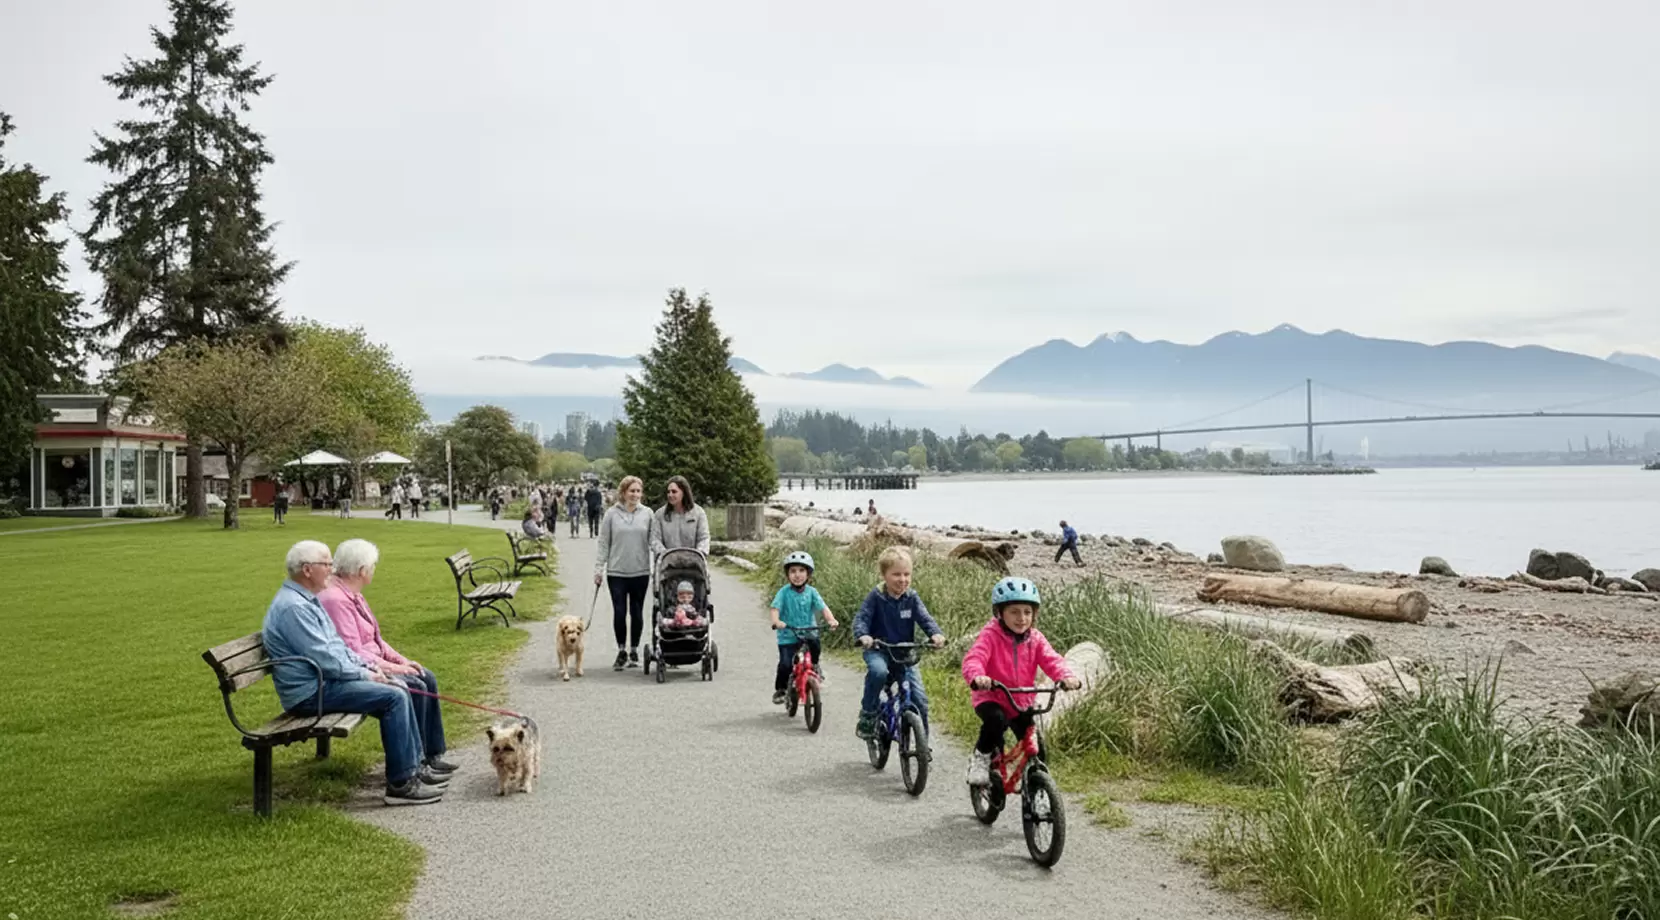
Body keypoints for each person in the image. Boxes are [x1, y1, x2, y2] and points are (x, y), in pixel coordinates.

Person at [262, 541, 449, 806]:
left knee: (397, 689)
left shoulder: (307, 600)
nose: (331, 569)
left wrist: (369, 667)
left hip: (325, 682)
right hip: (311, 693)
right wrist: (367, 675)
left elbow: (338, 649)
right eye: (326, 564)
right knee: (394, 695)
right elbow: (326, 660)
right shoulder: (296, 608)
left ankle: (414, 770)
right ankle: (401, 784)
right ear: (307, 570)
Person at [318, 539, 457, 780]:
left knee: (425, 676)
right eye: (373, 566)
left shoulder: (353, 594)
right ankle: (417, 762)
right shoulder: (336, 600)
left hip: (374, 661)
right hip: (361, 668)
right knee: (415, 686)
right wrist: (396, 669)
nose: (374, 570)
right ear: (362, 571)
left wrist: (405, 661)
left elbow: (377, 640)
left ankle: (431, 753)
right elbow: (354, 651)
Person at [961, 577, 1082, 786]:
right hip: (992, 697)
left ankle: (1038, 790)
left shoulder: (1035, 639)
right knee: (996, 722)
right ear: (1000, 612)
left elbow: (1052, 660)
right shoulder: (990, 635)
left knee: (1037, 749)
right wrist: (977, 677)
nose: (1021, 618)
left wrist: (1065, 676)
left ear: (1034, 614)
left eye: (1027, 612)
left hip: (1021, 700)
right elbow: (975, 658)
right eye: (1014, 612)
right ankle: (981, 758)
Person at [852, 545, 945, 740]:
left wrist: (935, 634)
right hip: (879, 649)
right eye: (896, 575)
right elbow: (862, 618)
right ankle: (868, 715)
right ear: (884, 575)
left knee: (919, 699)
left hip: (904, 653)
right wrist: (863, 636)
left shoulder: (911, 598)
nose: (902, 580)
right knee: (878, 672)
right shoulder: (876, 597)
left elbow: (925, 619)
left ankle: (922, 745)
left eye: (907, 574)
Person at [595, 476, 653, 668]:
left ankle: (635, 650)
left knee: (637, 612)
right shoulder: (611, 514)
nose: (635, 495)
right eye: (631, 491)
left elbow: (654, 541)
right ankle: (621, 650)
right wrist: (599, 568)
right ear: (623, 493)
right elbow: (604, 542)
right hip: (617, 572)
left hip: (640, 570)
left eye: (638, 491)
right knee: (620, 612)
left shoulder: (648, 514)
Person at [769, 551, 839, 705]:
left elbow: (823, 607)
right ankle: (780, 689)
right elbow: (775, 608)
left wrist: (831, 619)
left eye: (802, 571)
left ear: (808, 574)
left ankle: (815, 666)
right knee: (786, 664)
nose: (797, 575)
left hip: (809, 631)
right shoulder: (784, 592)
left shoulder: (812, 592)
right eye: (793, 571)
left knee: (815, 645)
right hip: (788, 634)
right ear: (787, 574)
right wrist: (776, 621)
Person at [649, 475, 711, 557]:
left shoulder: (699, 513)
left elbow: (704, 538)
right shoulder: (659, 515)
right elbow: (655, 539)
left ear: (684, 492)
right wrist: (666, 555)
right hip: (667, 564)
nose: (670, 495)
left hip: (693, 564)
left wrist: (698, 555)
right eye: (668, 492)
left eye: (674, 491)